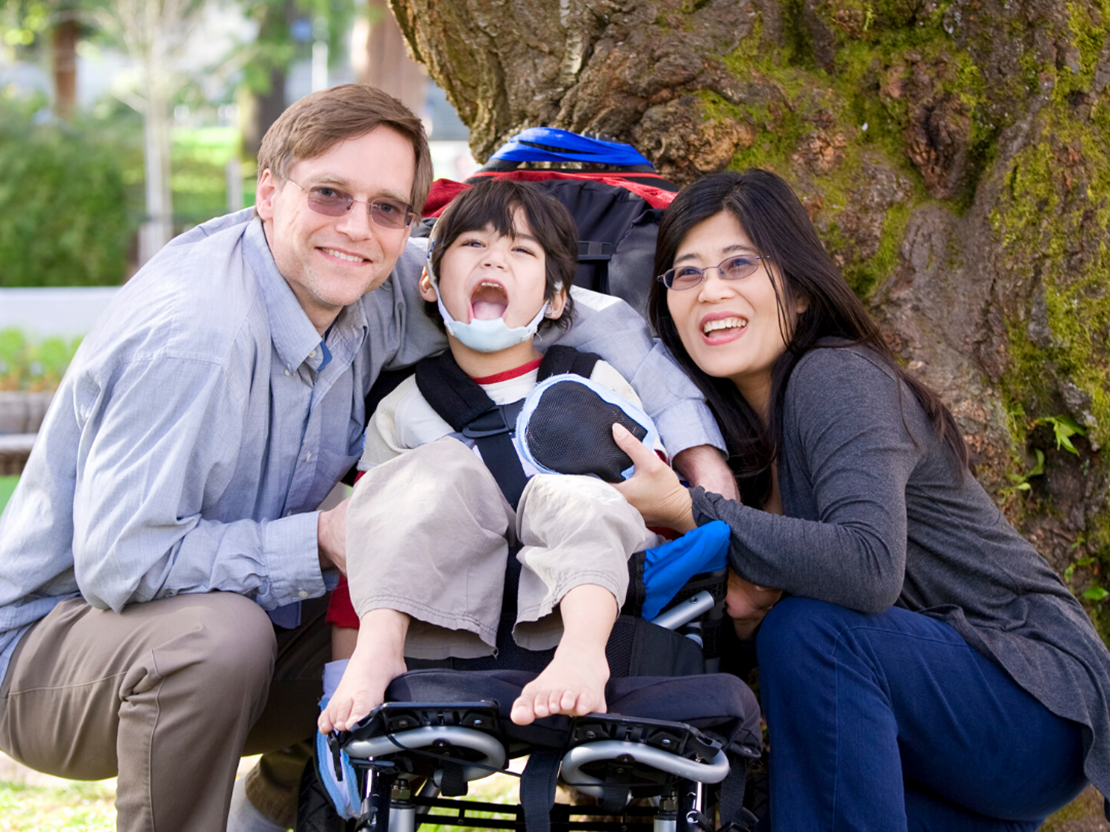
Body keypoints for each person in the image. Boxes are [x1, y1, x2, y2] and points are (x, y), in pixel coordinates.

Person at [0, 85, 738, 832]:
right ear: (268, 191)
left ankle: (275, 812)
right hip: (58, 652)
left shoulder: (375, 281)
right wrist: (320, 540)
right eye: (329, 195)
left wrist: (699, 461)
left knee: (442, 602)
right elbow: (120, 561)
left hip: (250, 613)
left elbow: (589, 314)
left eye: (387, 208)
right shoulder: (198, 338)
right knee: (223, 637)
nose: (357, 228)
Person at [611, 168, 1110, 830]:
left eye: (739, 264)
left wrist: (689, 511)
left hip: (1033, 698)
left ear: (801, 289)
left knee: (811, 631)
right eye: (687, 273)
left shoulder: (836, 375)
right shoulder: (738, 444)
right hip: (933, 741)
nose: (712, 292)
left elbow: (868, 566)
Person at [319, 178, 662, 737]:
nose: (495, 259)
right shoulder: (404, 407)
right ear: (429, 280)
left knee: (577, 493)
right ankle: (378, 653)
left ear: (555, 299)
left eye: (522, 251)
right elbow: (370, 541)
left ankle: (581, 653)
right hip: (438, 611)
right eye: (474, 244)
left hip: (573, 596)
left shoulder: (589, 381)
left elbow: (649, 496)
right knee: (423, 476)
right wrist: (342, 670)